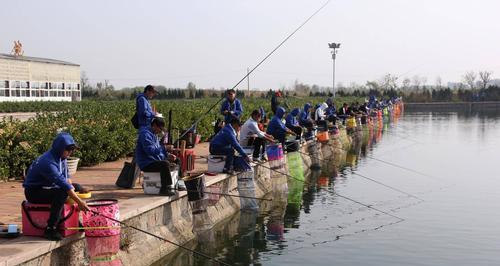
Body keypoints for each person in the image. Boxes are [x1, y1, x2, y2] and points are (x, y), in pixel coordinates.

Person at [23, 133, 90, 241]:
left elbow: (67, 180)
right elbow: (64, 186)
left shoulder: (62, 157)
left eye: (72, 150)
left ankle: (71, 219)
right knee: (62, 193)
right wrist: (79, 202)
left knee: (76, 187)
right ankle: (51, 228)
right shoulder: (48, 162)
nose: (71, 152)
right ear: (60, 148)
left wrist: (75, 191)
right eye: (68, 150)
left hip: (47, 187)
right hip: (33, 192)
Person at [136, 117, 179, 196]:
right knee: (164, 164)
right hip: (146, 163)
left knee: (177, 160)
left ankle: (177, 183)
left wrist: (167, 155)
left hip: (153, 160)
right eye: (160, 128)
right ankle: (165, 188)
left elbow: (158, 150)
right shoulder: (145, 134)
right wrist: (165, 148)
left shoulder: (154, 134)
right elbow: (150, 151)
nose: (160, 131)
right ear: (154, 125)